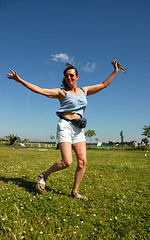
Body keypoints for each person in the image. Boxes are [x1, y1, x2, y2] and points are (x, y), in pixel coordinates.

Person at [6, 60, 120, 200]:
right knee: (67, 162)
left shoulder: (85, 91)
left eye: (72, 75)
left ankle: (75, 192)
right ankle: (44, 175)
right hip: (65, 126)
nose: (69, 78)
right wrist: (20, 80)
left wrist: (115, 71)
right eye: (67, 76)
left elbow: (103, 84)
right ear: (64, 78)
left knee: (82, 162)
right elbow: (40, 90)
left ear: (77, 76)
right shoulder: (62, 93)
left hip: (79, 128)